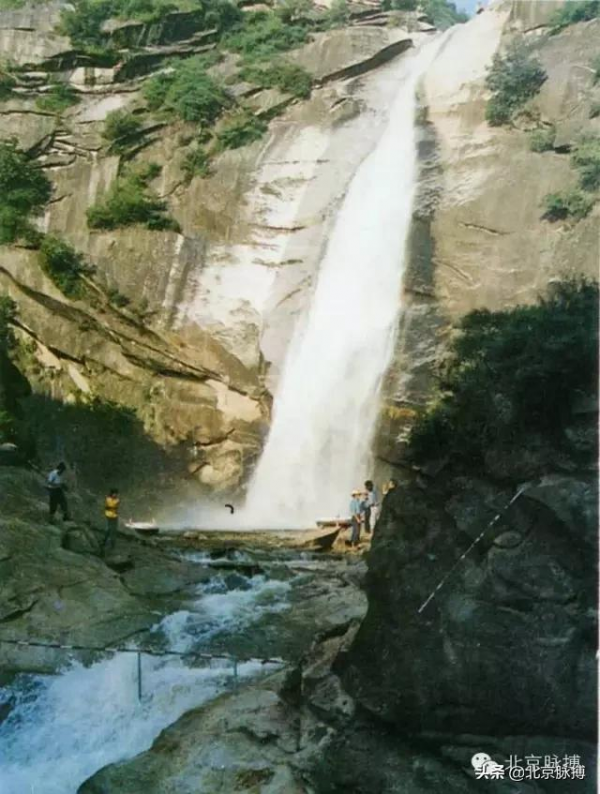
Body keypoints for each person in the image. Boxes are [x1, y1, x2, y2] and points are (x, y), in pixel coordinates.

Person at [103, 488, 120, 554]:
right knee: (109, 529)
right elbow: (110, 505)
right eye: (114, 493)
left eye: (116, 494)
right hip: (109, 516)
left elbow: (114, 506)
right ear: (112, 493)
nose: (116, 495)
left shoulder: (116, 499)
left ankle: (112, 544)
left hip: (114, 516)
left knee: (114, 529)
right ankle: (105, 541)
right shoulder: (108, 499)